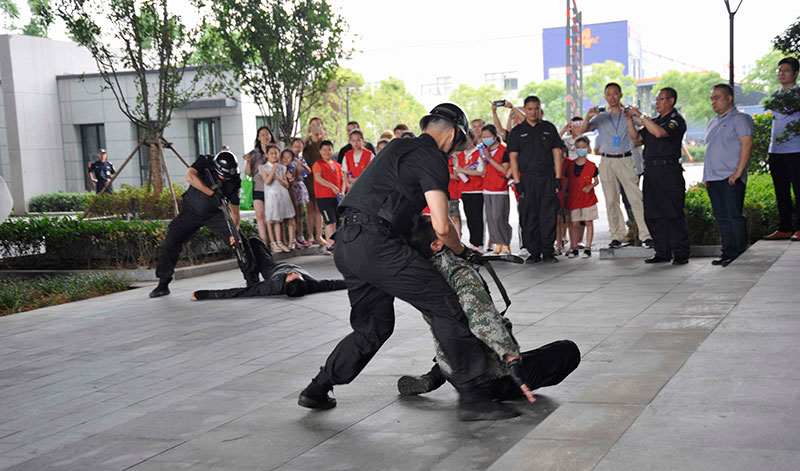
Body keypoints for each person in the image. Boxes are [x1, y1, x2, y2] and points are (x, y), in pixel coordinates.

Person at [298, 103, 526, 421]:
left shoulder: (396, 148)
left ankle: (317, 388)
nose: (453, 152)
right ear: (452, 134)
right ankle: (474, 398)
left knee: (373, 327)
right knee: (445, 304)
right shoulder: (431, 156)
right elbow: (443, 225)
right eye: (456, 145)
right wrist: (461, 251)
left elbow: (397, 206)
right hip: (377, 244)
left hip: (347, 243)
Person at [397, 216, 580, 399]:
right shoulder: (458, 273)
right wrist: (511, 359)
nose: (452, 228)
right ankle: (489, 387)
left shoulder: (422, 275)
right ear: (437, 245)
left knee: (456, 328)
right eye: (447, 229)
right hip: (486, 378)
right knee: (567, 351)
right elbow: (482, 320)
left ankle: (435, 375)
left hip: (452, 364)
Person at [150, 151, 243, 298]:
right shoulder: (205, 161)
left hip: (215, 215)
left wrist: (234, 232)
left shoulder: (235, 180)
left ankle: (252, 280)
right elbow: (190, 177)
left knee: (240, 242)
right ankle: (163, 283)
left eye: (228, 177)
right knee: (171, 241)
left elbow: (235, 212)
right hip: (190, 212)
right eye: (223, 176)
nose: (226, 179)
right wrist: (211, 194)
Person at [579, 83, 653, 249]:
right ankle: (617, 236)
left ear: (620, 95)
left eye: (615, 94)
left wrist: (634, 117)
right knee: (611, 200)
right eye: (608, 94)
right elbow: (581, 131)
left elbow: (640, 130)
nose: (611, 97)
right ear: (605, 97)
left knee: (636, 198)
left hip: (625, 158)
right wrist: (588, 116)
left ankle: (646, 235)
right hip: (606, 160)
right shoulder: (601, 117)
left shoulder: (628, 114)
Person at [625, 87, 690, 265]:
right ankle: (662, 251)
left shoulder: (676, 120)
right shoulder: (653, 121)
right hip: (651, 171)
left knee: (673, 212)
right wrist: (630, 120)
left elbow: (660, 133)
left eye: (661, 99)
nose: (657, 103)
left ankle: (680, 253)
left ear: (671, 101)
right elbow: (637, 139)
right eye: (657, 100)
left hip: (669, 171)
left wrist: (641, 115)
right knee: (653, 213)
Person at [191, 237, 346, 299]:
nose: (292, 271)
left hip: (272, 270)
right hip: (277, 266)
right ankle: (247, 252)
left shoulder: (273, 286)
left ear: (284, 282)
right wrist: (358, 281)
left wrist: (203, 294)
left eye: (290, 275)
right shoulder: (313, 285)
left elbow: (240, 293)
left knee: (252, 248)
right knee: (256, 241)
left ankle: (245, 259)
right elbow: (335, 284)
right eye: (295, 274)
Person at [507, 95, 564, 263]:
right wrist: (517, 182)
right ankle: (534, 252)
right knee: (529, 216)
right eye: (530, 109)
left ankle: (548, 251)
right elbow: (513, 158)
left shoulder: (548, 128)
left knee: (548, 215)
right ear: (525, 110)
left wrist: (558, 178)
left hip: (547, 178)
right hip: (527, 180)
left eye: (536, 108)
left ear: (540, 109)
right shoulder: (517, 132)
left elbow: (557, 153)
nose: (533, 112)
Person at [703, 83, 754, 266]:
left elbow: (747, 143)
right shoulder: (713, 121)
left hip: (731, 177)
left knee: (734, 216)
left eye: (717, 98)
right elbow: (711, 150)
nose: (713, 102)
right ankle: (728, 252)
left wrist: (739, 171)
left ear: (729, 98)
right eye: (712, 98)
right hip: (713, 178)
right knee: (721, 217)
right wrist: (706, 177)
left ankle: (739, 253)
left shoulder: (741, 119)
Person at [763, 57, 800, 241]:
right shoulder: (775, 95)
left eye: (786, 70)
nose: (781, 73)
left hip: (796, 150)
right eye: (779, 70)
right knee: (781, 190)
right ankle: (784, 228)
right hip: (776, 150)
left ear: (796, 73)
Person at [564, 137, 599, 258]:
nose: (581, 150)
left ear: (588, 148)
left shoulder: (592, 166)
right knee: (574, 223)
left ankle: (588, 248)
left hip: (588, 199)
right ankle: (574, 247)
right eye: (578, 147)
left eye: (583, 147)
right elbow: (566, 181)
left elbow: (596, 180)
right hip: (573, 199)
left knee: (588, 221)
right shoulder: (570, 165)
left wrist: (590, 186)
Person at [481, 124, 512, 255]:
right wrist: (484, 160)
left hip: (500, 188)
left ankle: (505, 243)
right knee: (491, 219)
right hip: (487, 187)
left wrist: (490, 158)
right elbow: (484, 170)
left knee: (499, 217)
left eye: (488, 136)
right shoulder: (485, 150)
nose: (485, 139)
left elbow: (504, 169)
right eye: (483, 136)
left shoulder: (504, 150)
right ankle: (497, 243)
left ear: (495, 136)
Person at [244, 126, 277, 244]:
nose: (265, 137)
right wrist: (248, 161)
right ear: (258, 138)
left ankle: (275, 241)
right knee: (260, 215)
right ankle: (264, 243)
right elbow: (248, 173)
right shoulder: (254, 153)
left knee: (272, 217)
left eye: (267, 134)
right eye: (262, 135)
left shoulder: (275, 151)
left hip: (273, 188)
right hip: (258, 187)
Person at [454, 129, 485, 252]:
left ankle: (479, 243)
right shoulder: (461, 154)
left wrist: (463, 170)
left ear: (473, 139)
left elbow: (481, 171)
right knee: (470, 217)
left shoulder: (479, 152)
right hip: (465, 190)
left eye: (467, 139)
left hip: (477, 190)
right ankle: (473, 242)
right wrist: (460, 171)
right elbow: (457, 170)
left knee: (477, 217)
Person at [312, 140, 344, 253]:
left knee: (334, 221)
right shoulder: (318, 164)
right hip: (323, 197)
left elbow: (342, 179)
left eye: (329, 150)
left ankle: (331, 243)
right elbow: (318, 178)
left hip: (335, 197)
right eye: (324, 150)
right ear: (320, 151)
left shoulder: (337, 165)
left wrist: (342, 191)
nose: (327, 152)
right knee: (330, 222)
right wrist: (332, 186)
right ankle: (330, 245)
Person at [303, 118, 327, 246]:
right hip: (307, 177)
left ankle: (319, 235)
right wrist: (307, 135)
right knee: (310, 207)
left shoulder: (324, 142)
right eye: (313, 125)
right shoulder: (306, 142)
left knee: (319, 208)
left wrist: (323, 135)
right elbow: (298, 148)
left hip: (321, 177)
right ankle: (310, 235)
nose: (316, 127)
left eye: (318, 125)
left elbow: (328, 152)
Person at [290, 138, 313, 247]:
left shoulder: (301, 159)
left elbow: (309, 171)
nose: (297, 148)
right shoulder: (289, 159)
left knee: (300, 213)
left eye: (299, 146)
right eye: (295, 146)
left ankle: (301, 236)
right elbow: (293, 173)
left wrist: (302, 164)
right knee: (293, 213)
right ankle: (293, 238)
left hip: (300, 186)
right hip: (292, 187)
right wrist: (298, 166)